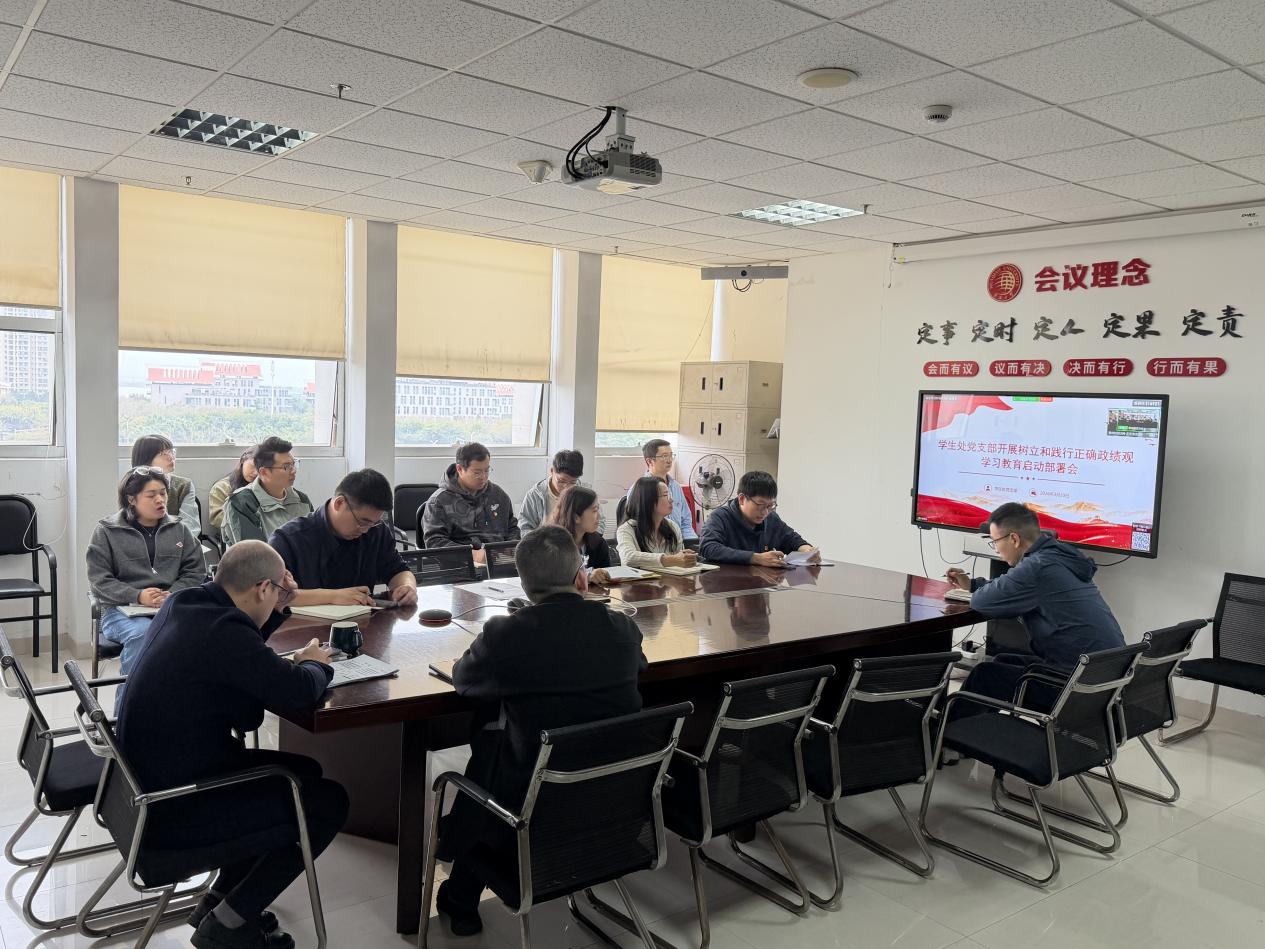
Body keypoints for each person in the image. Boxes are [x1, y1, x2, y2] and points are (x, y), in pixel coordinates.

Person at [117, 541, 347, 949]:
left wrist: (277, 610)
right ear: (262, 588)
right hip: (178, 804)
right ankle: (229, 924)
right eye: (277, 591)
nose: (279, 597)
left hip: (147, 783)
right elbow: (295, 691)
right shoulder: (224, 633)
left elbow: (242, 660)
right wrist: (316, 663)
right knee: (328, 802)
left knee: (305, 771)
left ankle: (220, 902)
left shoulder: (189, 603)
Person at [435, 526, 646, 936]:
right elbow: (640, 666)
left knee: (491, 748)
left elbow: (464, 680)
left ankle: (461, 896)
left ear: (525, 585)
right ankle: (462, 893)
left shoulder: (507, 634)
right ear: (581, 577)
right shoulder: (622, 629)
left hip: (526, 809)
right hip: (614, 802)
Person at [945, 502, 1126, 711]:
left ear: (1014, 539)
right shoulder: (1059, 557)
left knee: (985, 675)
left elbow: (982, 602)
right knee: (1002, 661)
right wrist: (973, 584)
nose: (996, 548)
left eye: (994, 542)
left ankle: (949, 730)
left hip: (1079, 688)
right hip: (1108, 677)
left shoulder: (1036, 567)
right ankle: (977, 725)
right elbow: (1015, 588)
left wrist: (978, 590)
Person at [86, 467, 207, 675]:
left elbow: (195, 571)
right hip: (119, 610)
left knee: (206, 629)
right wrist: (138, 595)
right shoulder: (106, 531)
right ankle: (131, 695)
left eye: (163, 493)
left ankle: (184, 693)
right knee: (143, 633)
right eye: (151, 495)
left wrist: (173, 593)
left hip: (172, 606)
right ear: (131, 499)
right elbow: (99, 580)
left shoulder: (180, 529)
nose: (160, 500)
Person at [269, 468, 419, 608]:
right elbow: (273, 595)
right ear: (339, 503)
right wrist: (332, 596)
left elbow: (398, 570)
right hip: (304, 626)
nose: (365, 530)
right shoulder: (288, 539)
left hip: (363, 623)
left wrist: (407, 587)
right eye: (362, 522)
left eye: (373, 523)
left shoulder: (376, 531)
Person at [422, 442, 520, 565]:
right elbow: (434, 542)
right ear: (459, 469)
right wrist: (473, 555)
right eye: (477, 472)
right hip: (460, 566)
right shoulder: (439, 501)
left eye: (487, 470)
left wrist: (511, 547)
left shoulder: (498, 495)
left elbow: (512, 527)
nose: (484, 477)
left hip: (499, 562)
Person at [699, 470, 819, 567]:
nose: (765, 512)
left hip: (761, 583)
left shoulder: (771, 519)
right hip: (726, 584)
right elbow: (708, 547)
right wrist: (756, 558)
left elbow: (792, 539)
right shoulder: (720, 517)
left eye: (770, 506)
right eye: (760, 505)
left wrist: (807, 551)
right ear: (742, 499)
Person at [222, 437, 313, 546]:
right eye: (286, 466)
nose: (293, 471)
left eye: (293, 464)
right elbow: (255, 552)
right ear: (264, 472)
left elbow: (315, 542)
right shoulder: (241, 503)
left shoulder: (302, 500)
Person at [616, 476, 698, 570]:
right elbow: (628, 557)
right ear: (648, 500)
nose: (671, 499)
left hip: (669, 579)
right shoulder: (626, 529)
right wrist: (672, 560)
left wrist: (685, 558)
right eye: (665, 495)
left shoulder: (672, 526)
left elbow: (678, 562)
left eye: (670, 494)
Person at [519, 449, 605, 534]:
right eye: (561, 481)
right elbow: (524, 529)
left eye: (573, 482)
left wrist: (584, 539)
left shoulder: (586, 493)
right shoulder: (535, 495)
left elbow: (600, 523)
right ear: (552, 471)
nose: (567, 487)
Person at [627, 439, 697, 542]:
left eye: (671, 455)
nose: (669, 460)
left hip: (678, 543)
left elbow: (686, 522)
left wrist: (693, 543)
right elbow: (637, 526)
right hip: (653, 544)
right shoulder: (639, 489)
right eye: (664, 456)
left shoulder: (676, 487)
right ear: (649, 461)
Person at [131, 434, 200, 536]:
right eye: (163, 454)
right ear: (145, 459)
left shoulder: (184, 485)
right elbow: (128, 524)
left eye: (171, 451)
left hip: (178, 541)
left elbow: (190, 527)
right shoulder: (132, 486)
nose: (171, 457)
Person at [546, 484, 612, 585]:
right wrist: (586, 576)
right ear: (576, 517)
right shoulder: (552, 545)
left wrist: (602, 576)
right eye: (594, 511)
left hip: (594, 594)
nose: (599, 516)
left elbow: (606, 578)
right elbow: (552, 580)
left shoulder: (598, 543)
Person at [208, 448, 257, 531]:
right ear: (243, 460)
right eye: (253, 465)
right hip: (232, 535)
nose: (256, 472)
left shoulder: (267, 486)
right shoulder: (222, 487)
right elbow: (216, 519)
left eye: (260, 469)